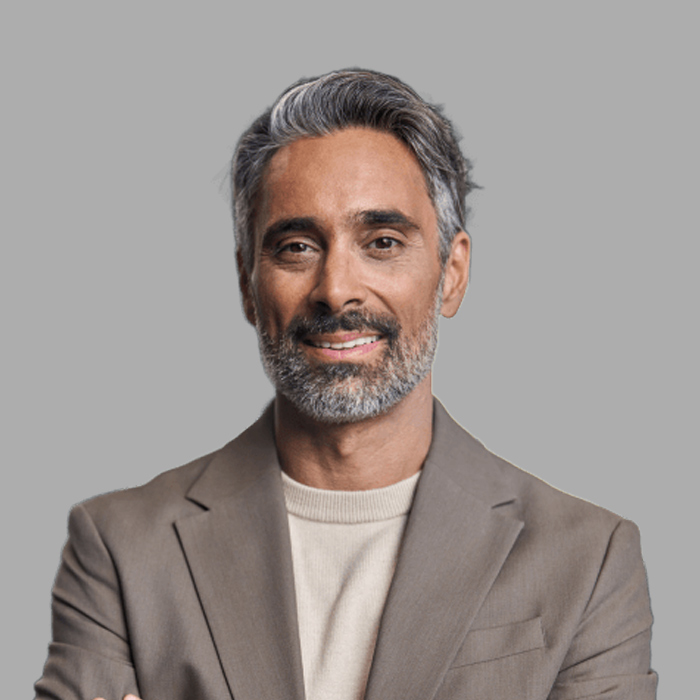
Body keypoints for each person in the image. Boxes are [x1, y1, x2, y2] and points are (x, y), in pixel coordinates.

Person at [35, 69, 657, 700]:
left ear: (452, 273)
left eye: (382, 242)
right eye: (297, 247)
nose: (336, 289)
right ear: (248, 284)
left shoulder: (589, 559)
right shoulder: (119, 548)